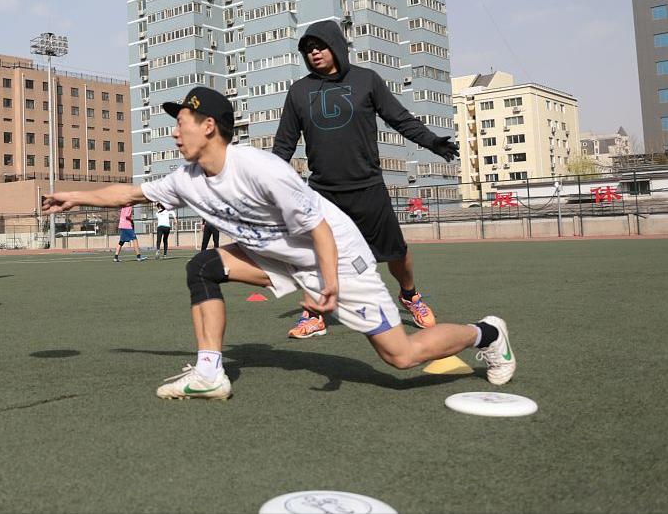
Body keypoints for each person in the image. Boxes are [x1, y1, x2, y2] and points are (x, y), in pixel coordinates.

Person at [42, 86, 514, 400]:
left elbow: (321, 230)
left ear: (209, 126)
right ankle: (209, 372)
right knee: (202, 267)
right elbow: (129, 193)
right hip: (279, 257)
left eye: (182, 121)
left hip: (336, 258)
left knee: (400, 357)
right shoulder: (187, 178)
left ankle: (488, 334)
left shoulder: (261, 170)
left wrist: (328, 285)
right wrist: (74, 197)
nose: (174, 131)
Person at [273, 20, 459, 340]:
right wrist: (265, 182)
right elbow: (283, 145)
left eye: (320, 46)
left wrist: (432, 142)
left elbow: (399, 119)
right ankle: (314, 314)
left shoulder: (366, 80)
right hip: (324, 192)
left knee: (396, 252)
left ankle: (410, 295)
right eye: (308, 49)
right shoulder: (299, 91)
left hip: (367, 186)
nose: (314, 53)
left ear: (336, 45)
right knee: (316, 254)